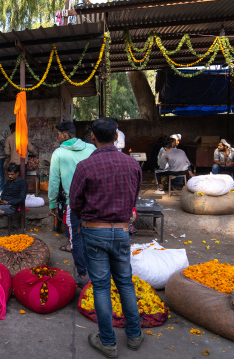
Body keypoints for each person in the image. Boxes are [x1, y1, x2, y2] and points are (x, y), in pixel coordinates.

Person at [70, 117, 143, 358]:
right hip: (122, 231)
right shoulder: (132, 165)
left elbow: (75, 203)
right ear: (115, 137)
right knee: (125, 283)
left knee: (101, 286)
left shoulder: (85, 167)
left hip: (94, 230)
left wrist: (85, 219)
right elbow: (133, 199)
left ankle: (108, 342)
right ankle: (134, 335)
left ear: (92, 137)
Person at [48, 121, 96, 287]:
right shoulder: (91, 149)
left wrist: (52, 202)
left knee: (75, 239)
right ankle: (97, 272)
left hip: (72, 204)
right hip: (94, 202)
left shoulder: (59, 153)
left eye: (58, 134)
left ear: (64, 135)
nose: (58, 137)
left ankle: (82, 274)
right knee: (93, 236)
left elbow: (54, 180)